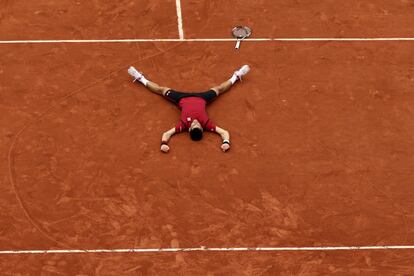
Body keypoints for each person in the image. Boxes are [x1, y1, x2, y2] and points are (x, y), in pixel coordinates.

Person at [127, 65, 250, 153]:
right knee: (218, 89)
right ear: (202, 129)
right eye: (198, 125)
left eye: (193, 125)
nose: (195, 122)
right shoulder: (207, 125)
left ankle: (140, 78)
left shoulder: (183, 125)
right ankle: (236, 76)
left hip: (181, 98)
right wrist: (225, 142)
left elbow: (167, 133)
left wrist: (164, 144)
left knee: (161, 90)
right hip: (202, 98)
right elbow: (224, 133)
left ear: (189, 129)